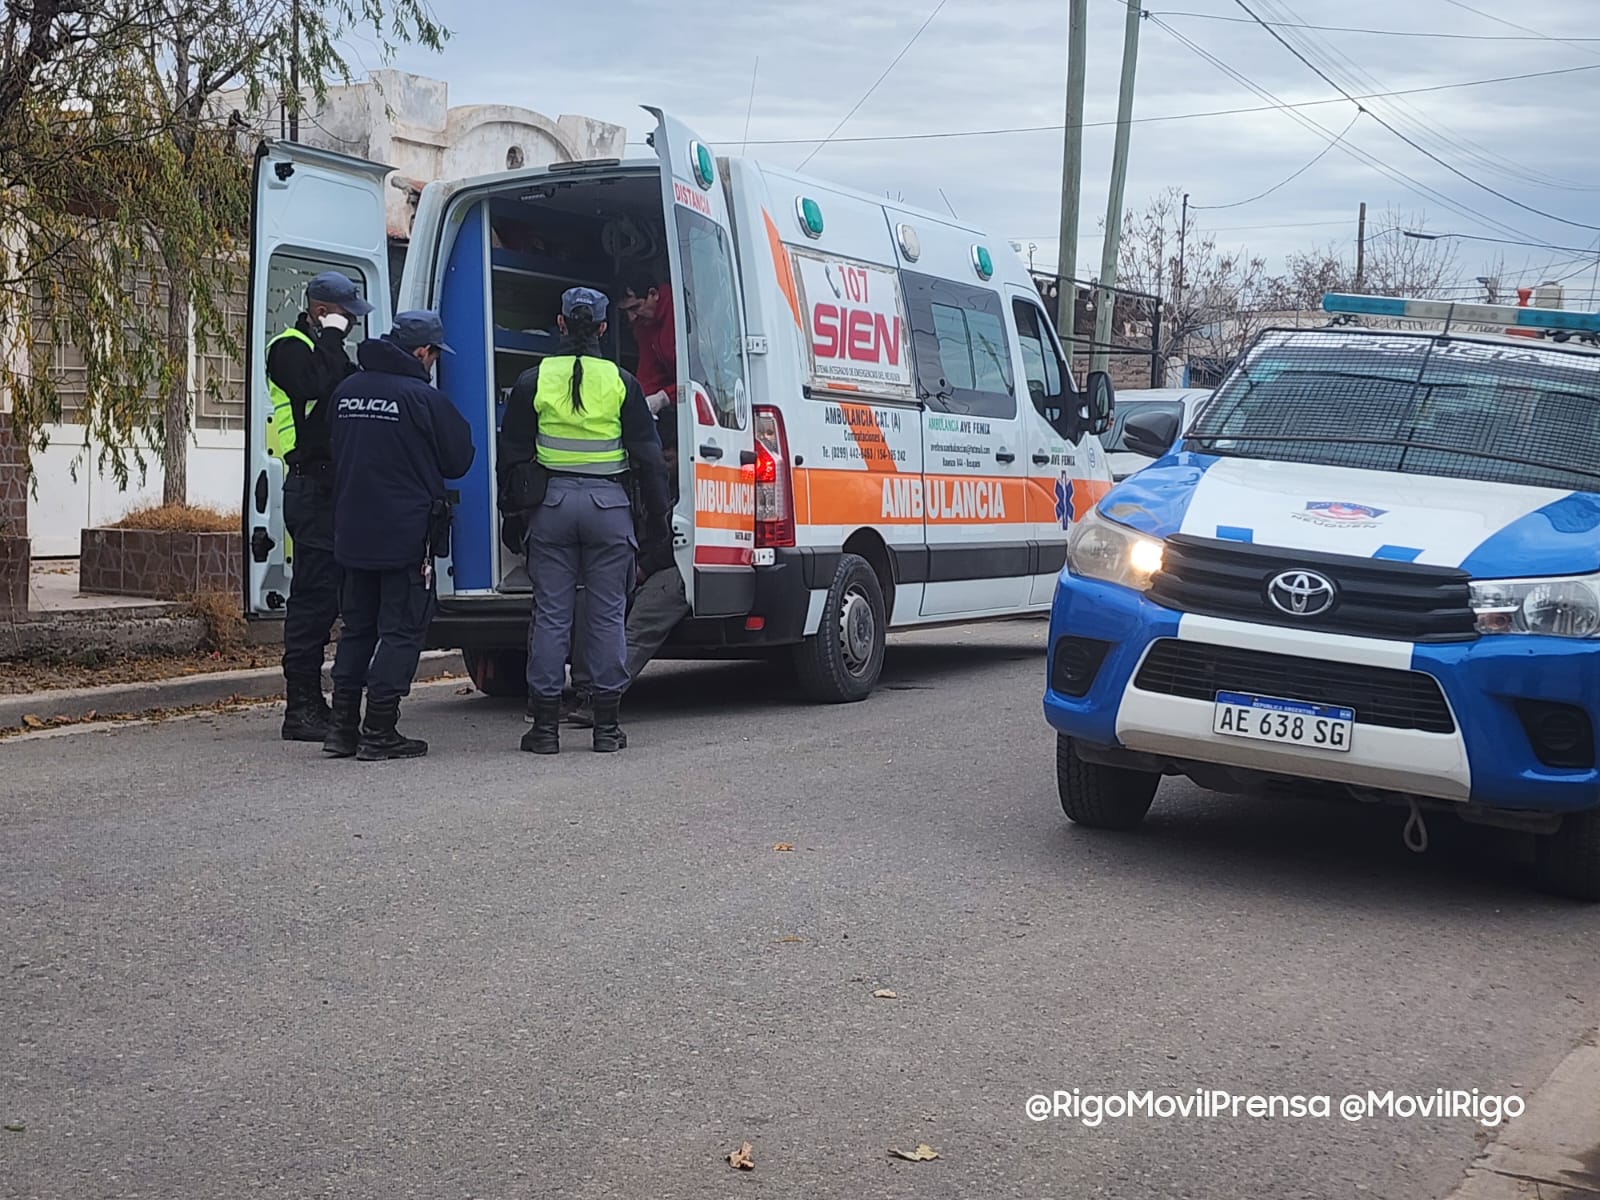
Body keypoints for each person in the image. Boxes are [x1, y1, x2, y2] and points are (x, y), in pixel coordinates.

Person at [498, 287, 671, 755]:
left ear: (558, 325)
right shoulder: (621, 382)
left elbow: (510, 455)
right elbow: (650, 460)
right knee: (608, 616)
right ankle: (607, 728)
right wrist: (659, 522)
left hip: (551, 508)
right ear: (601, 328)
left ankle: (545, 730)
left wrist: (510, 516)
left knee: (552, 614)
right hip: (609, 510)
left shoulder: (534, 379)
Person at [322, 311, 475, 762]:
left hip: (351, 531)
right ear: (423, 352)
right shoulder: (422, 398)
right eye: (433, 355)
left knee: (357, 628)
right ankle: (380, 729)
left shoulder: (347, 391)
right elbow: (458, 459)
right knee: (402, 630)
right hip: (405, 536)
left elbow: (334, 446)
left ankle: (342, 728)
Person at [266, 270, 370, 742]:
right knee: (312, 599)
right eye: (346, 316)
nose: (351, 325)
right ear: (322, 312)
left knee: (333, 597)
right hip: (310, 489)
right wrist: (329, 336)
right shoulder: (288, 349)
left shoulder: (332, 353)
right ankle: (301, 705)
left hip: (338, 490)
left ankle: (322, 702)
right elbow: (313, 387)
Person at [564, 447, 688, 726]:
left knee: (644, 618)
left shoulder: (693, 487)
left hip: (676, 565)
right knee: (588, 602)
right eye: (659, 457)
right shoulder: (634, 482)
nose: (663, 463)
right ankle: (583, 690)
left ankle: (603, 698)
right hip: (631, 561)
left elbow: (685, 541)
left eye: (669, 457)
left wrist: (644, 568)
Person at [618, 270, 678, 450]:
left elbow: (700, 375)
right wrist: (639, 403)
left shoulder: (683, 314)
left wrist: (663, 397)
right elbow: (648, 371)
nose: (632, 317)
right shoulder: (643, 325)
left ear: (654, 294)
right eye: (626, 311)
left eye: (635, 308)